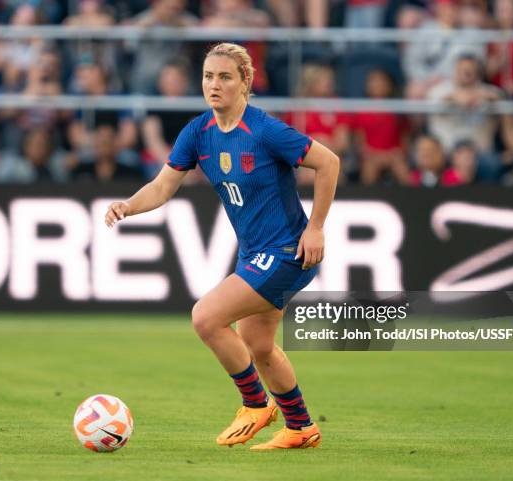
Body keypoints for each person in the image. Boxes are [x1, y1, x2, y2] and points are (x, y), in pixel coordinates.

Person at [105, 43, 340, 449]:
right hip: (256, 253)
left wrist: (316, 227)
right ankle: (302, 428)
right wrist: (128, 206)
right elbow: (162, 187)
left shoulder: (265, 130)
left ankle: (254, 404)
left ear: (245, 83)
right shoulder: (198, 133)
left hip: (288, 252)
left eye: (225, 77)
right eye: (208, 77)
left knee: (206, 317)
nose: (214, 85)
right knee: (260, 347)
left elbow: (329, 162)